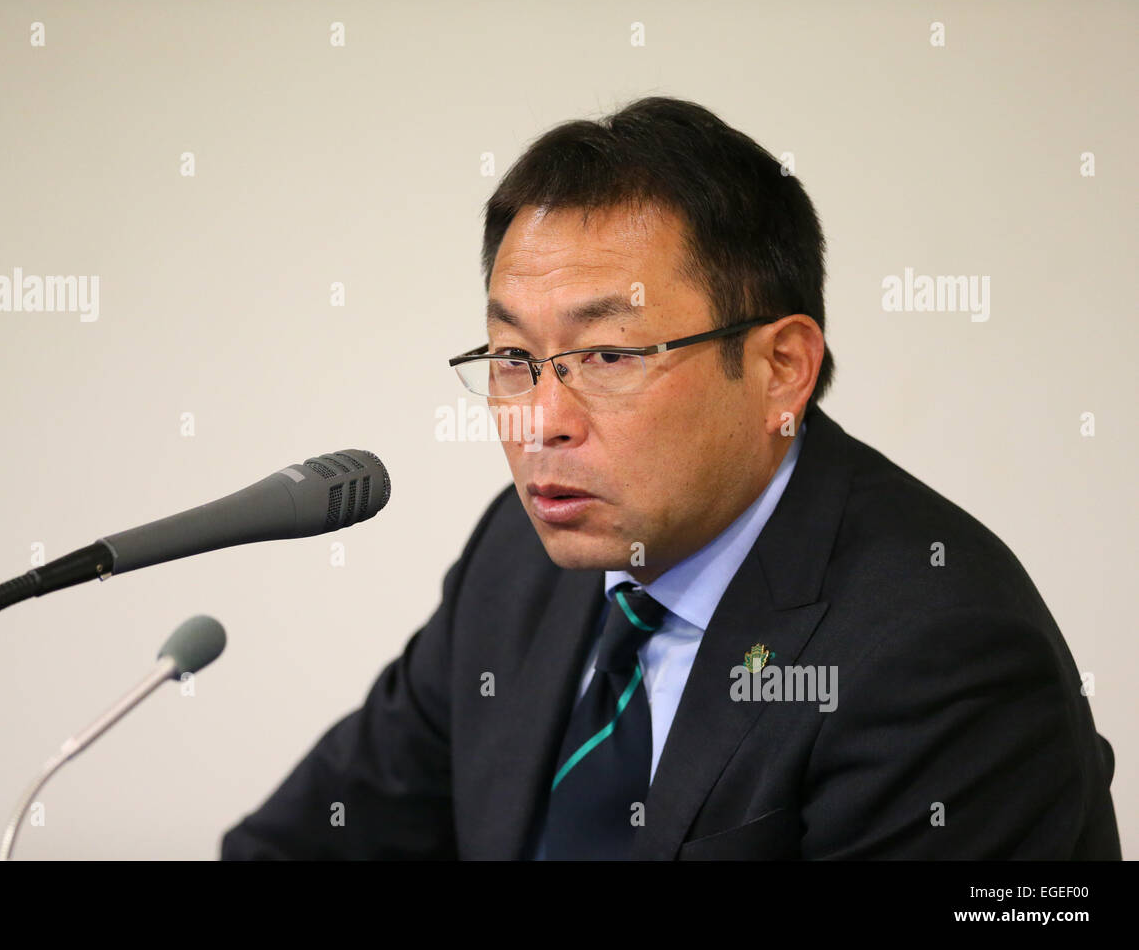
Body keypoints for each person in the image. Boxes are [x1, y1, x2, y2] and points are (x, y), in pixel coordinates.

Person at [220, 96, 1121, 859]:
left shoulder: (939, 651)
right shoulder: (518, 560)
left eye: (607, 353)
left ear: (780, 371)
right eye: (511, 357)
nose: (540, 418)